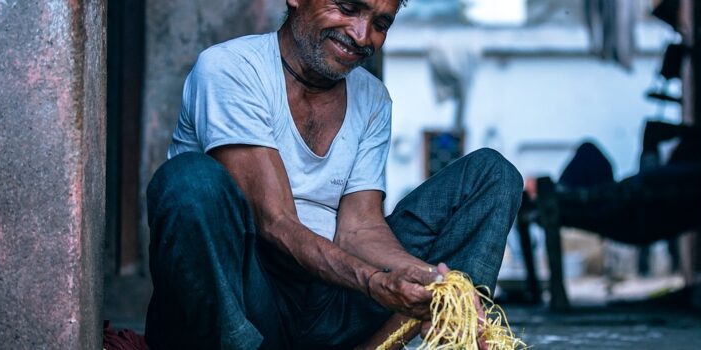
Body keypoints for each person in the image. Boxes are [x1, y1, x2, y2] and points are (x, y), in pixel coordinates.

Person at [143, 0, 523, 349]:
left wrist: (433, 281)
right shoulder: (231, 68)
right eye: (347, 7)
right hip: (247, 297)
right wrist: (374, 283)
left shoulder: (372, 98)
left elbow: (359, 228)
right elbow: (276, 223)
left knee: (492, 173)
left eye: (380, 23)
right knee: (189, 181)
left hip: (328, 301)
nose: (361, 36)